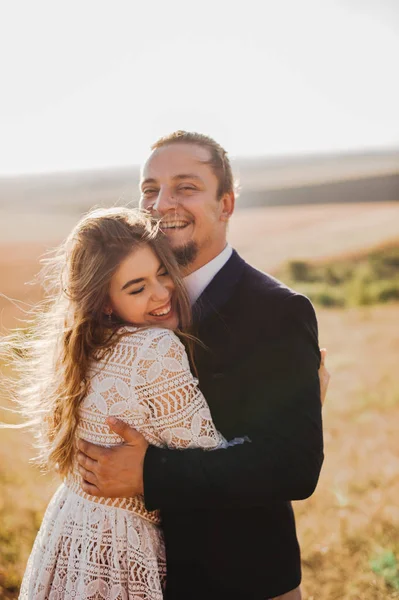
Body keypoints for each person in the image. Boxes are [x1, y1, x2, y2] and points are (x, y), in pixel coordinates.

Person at [77, 131, 327, 599]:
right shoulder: (119, 306)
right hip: (139, 575)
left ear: (226, 204)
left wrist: (148, 474)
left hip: (241, 578)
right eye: (150, 189)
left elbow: (295, 466)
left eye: (185, 187)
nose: (160, 202)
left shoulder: (278, 311)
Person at [12, 208, 237, 599]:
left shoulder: (82, 349)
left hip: (71, 529)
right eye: (137, 288)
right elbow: (216, 466)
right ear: (105, 303)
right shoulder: (155, 347)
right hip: (121, 546)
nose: (161, 293)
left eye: (162, 272)